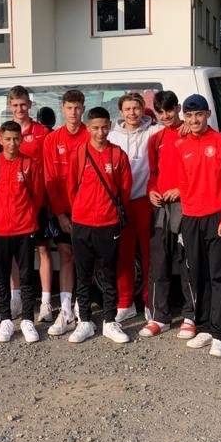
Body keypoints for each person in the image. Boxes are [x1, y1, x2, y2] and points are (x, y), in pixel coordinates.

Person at [175, 94, 221, 358]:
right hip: (192, 219)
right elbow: (183, 182)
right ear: (185, 117)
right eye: (189, 116)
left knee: (220, 276)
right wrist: (187, 216)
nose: (194, 120)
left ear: (208, 114)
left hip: (218, 217)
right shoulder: (181, 145)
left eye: (199, 115)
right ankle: (203, 326)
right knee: (198, 275)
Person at [65, 106, 132, 344]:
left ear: (110, 126)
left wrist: (108, 211)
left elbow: (125, 189)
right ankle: (84, 321)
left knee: (109, 273)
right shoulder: (79, 154)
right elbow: (71, 188)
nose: (100, 132)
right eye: (95, 128)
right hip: (82, 223)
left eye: (104, 127)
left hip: (108, 222)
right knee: (83, 274)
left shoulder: (118, 155)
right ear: (88, 127)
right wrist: (81, 210)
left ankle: (109, 321)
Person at [0, 120, 46, 343]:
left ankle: (27, 319)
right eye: (8, 139)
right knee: (2, 276)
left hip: (25, 228)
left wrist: (26, 216)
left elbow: (37, 196)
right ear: (0, 139)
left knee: (27, 276)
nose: (12, 143)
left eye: (16, 139)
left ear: (22, 139)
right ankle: (6, 320)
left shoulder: (29, 164)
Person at [141, 90, 195, 338]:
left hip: (187, 206)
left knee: (187, 263)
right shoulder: (156, 139)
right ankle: (159, 317)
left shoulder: (191, 133)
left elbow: (200, 173)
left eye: (170, 110)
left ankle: (191, 315)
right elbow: (153, 173)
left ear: (178, 108)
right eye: (160, 112)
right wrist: (151, 190)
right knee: (159, 262)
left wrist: (181, 190)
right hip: (161, 207)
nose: (165, 116)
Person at [0, 86, 52, 320]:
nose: (19, 109)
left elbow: (48, 166)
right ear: (10, 106)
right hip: (12, 206)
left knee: (43, 249)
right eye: (15, 105)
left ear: (30, 105)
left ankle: (46, 301)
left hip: (38, 201)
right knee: (14, 254)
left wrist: (40, 202)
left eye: (23, 104)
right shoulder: (3, 132)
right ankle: (16, 297)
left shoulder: (42, 132)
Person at [108, 91, 162, 321]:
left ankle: (150, 302)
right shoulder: (111, 136)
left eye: (136, 108)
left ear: (143, 109)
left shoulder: (154, 131)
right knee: (124, 255)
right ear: (121, 112)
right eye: (128, 109)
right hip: (122, 204)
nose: (132, 113)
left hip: (145, 202)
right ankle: (125, 302)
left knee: (150, 255)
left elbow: (175, 129)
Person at [43, 89, 88, 336]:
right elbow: (50, 179)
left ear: (83, 109)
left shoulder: (89, 135)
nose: (73, 112)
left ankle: (83, 306)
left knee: (87, 258)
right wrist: (60, 214)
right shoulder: (52, 139)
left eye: (77, 107)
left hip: (88, 209)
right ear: (62, 109)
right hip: (63, 210)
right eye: (69, 108)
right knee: (66, 255)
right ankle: (66, 310)